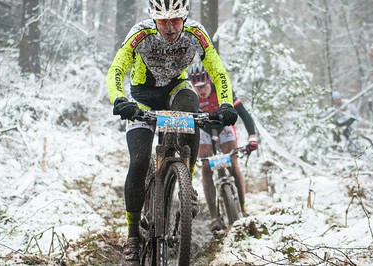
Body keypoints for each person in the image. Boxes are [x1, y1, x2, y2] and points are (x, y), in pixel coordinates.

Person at [105, 1, 238, 264]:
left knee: (191, 112)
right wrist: (119, 99)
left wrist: (225, 103)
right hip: (142, 98)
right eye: (162, 20)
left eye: (175, 20)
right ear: (152, 18)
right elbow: (117, 70)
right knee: (140, 161)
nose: (169, 27)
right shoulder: (139, 33)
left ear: (185, 17)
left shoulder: (196, 33)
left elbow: (218, 71)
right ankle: (132, 235)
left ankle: (185, 188)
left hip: (177, 90)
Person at [188, 64, 258, 232]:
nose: (202, 91)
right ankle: (214, 217)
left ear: (210, 81)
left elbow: (244, 115)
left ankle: (242, 207)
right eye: (197, 88)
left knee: (233, 162)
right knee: (206, 166)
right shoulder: (191, 98)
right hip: (204, 129)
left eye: (204, 86)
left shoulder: (222, 91)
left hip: (224, 126)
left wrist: (252, 138)